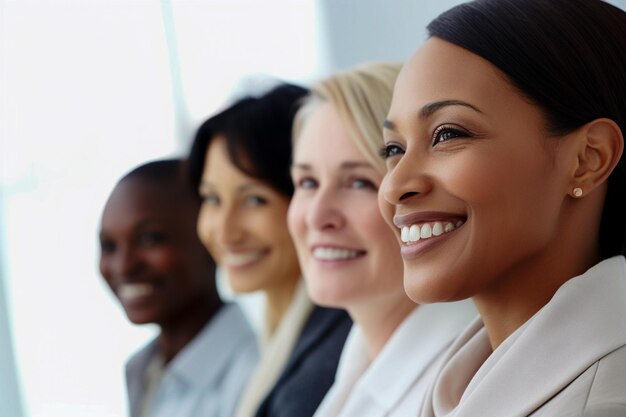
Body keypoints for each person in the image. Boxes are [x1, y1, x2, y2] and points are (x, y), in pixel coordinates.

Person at [378, 0, 626, 415]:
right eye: (394, 148)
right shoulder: (456, 385)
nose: (394, 186)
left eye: (447, 134)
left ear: (588, 159)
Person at [287, 62, 476, 417]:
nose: (316, 215)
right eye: (307, 183)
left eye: (358, 183)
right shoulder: (358, 355)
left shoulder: (464, 389)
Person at [187, 83, 352, 417]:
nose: (225, 231)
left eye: (254, 200)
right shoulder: (282, 336)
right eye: (212, 199)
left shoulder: (329, 358)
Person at [98, 159, 258, 417]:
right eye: (109, 246)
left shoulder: (254, 373)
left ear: (212, 240)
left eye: (150, 238)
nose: (124, 266)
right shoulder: (142, 371)